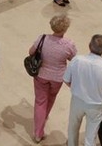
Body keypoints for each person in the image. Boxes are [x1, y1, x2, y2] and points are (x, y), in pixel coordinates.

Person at [29, 15, 77, 143]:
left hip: (41, 75)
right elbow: (74, 59)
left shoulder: (42, 38)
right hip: (57, 78)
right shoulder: (69, 44)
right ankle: (44, 118)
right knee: (50, 99)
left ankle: (38, 133)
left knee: (40, 102)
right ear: (65, 29)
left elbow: (31, 52)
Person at [64, 34, 102, 146]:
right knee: (91, 136)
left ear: (89, 45)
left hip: (77, 101)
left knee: (72, 128)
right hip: (96, 106)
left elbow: (66, 80)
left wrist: (76, 87)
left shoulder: (77, 60)